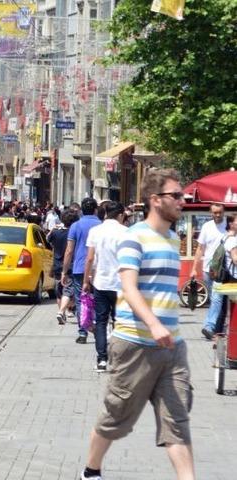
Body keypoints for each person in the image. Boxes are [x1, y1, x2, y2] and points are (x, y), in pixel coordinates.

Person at [82, 168, 194, 480]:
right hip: (134, 344)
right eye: (176, 195)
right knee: (116, 417)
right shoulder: (133, 238)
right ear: (155, 200)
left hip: (172, 347)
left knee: (177, 421)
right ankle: (91, 471)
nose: (182, 201)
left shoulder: (173, 239)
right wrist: (154, 324)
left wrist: (167, 330)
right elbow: (128, 288)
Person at [83, 201, 127, 372]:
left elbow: (89, 259)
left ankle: (101, 359)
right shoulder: (126, 232)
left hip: (100, 283)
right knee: (120, 322)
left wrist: (86, 281)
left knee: (100, 322)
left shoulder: (95, 231)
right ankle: (118, 360)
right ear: (121, 215)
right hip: (121, 285)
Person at [63, 197, 101, 344]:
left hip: (79, 268)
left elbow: (69, 250)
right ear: (96, 210)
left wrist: (64, 271)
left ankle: (83, 332)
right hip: (98, 268)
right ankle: (99, 328)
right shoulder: (101, 225)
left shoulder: (76, 226)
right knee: (98, 300)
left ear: (81, 210)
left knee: (81, 301)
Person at [191, 204, 227, 339]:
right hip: (208, 269)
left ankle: (210, 326)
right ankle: (217, 329)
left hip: (224, 269)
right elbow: (200, 248)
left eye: (220, 212)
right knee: (216, 300)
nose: (218, 215)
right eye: (215, 213)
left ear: (224, 212)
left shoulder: (229, 226)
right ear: (210, 213)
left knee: (217, 299)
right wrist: (194, 268)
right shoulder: (207, 227)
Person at [49, 209, 79, 325]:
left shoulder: (56, 232)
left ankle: (61, 312)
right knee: (68, 290)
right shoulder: (73, 233)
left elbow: (48, 240)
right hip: (69, 266)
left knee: (59, 291)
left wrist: (53, 229)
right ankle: (62, 311)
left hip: (56, 265)